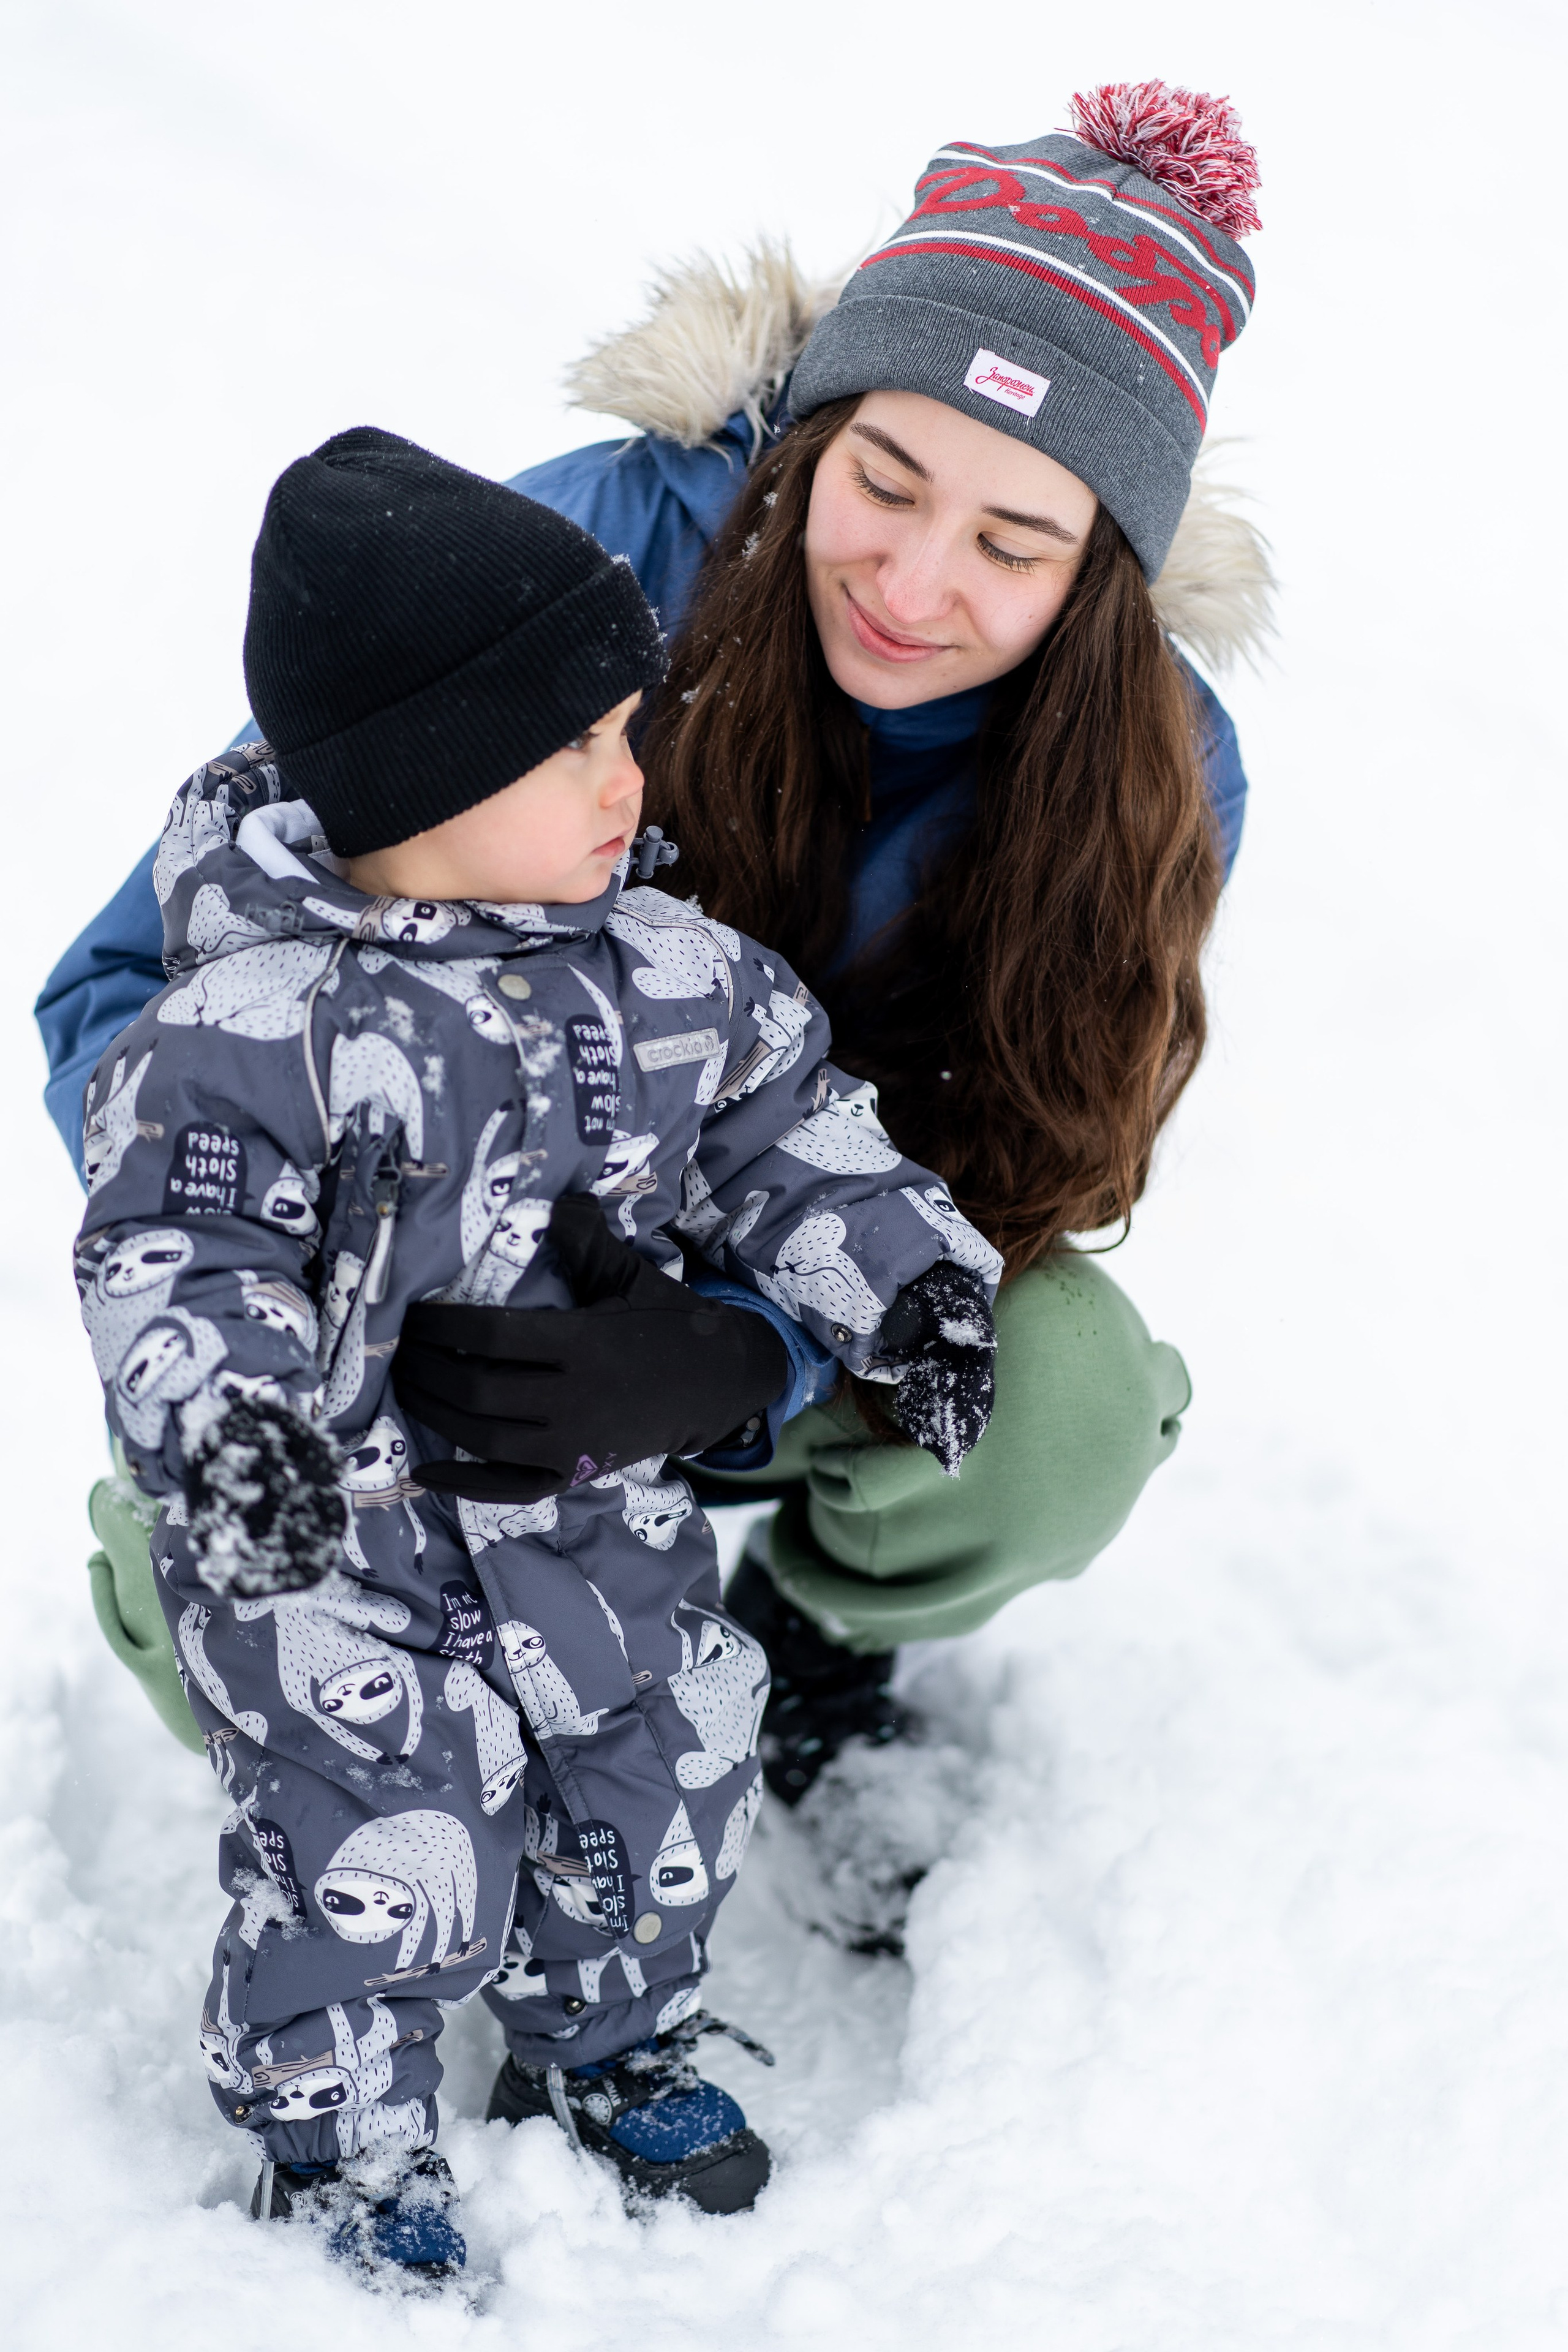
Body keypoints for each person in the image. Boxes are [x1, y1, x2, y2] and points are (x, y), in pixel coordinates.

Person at [40, 82, 1271, 1804]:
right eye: (886, 483)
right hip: (416, 1281)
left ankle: (813, 1643)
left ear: (1103, 575)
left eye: (1011, 544)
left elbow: (1012, 1168)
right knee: (227, 1596)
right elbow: (123, 986)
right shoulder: (590, 553)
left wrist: (733, 1358)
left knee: (1054, 1399)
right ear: (813, 432)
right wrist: (304, 1261)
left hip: (750, 1309)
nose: (913, 585)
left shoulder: (1157, 771)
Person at [73, 427, 1003, 2266]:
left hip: (589, 1513)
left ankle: (612, 2032)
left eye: (622, 729)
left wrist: (906, 1289)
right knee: (374, 1833)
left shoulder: (669, 976)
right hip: (333, 1548)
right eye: (576, 745)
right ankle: (339, 2131)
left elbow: (794, 1137)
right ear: (425, 777)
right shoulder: (248, 1026)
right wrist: (240, 1445)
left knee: (669, 1748)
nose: (630, 777)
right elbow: (172, 1252)